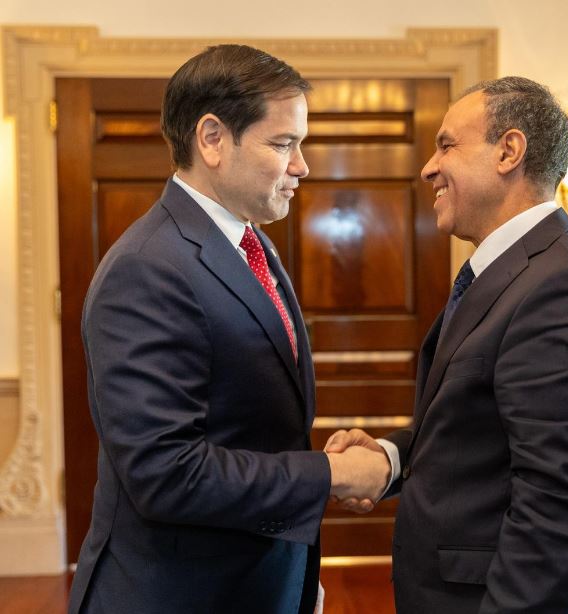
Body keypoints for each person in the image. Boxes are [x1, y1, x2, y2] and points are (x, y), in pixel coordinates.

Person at [67, 44, 390, 614]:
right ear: (212, 139)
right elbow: (166, 473)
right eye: (283, 144)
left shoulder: (249, 241)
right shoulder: (147, 267)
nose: (301, 166)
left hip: (254, 582)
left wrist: (294, 577)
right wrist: (331, 475)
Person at [326, 76, 568, 613]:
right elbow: (479, 431)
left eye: (447, 145)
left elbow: (558, 505)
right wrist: (391, 457)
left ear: (509, 151)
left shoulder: (567, 285)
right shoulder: (512, 273)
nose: (428, 167)